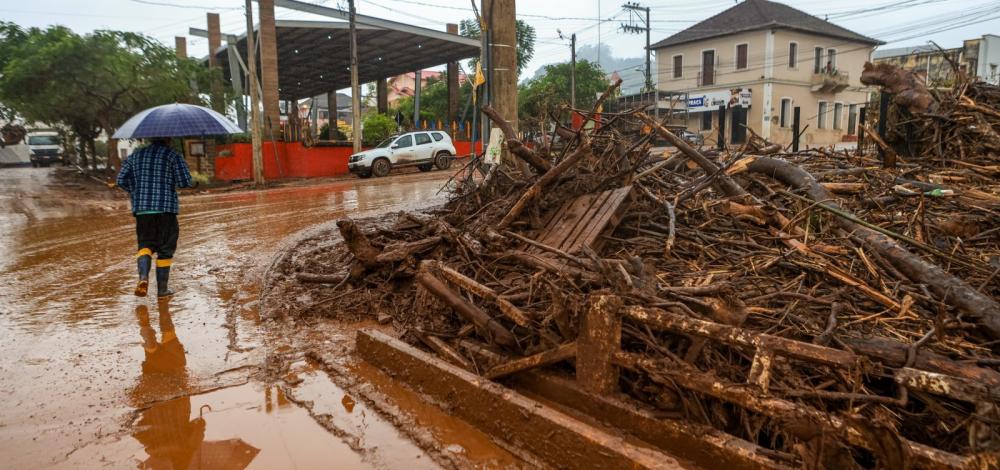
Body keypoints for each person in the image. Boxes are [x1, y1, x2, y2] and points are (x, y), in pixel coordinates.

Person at [116, 137, 193, 297]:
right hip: (166, 210)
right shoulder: (172, 155)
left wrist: (136, 190)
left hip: (143, 211)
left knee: (145, 245)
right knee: (165, 249)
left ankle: (143, 277)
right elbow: (185, 182)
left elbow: (120, 180)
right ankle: (162, 290)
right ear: (168, 139)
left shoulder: (135, 155)